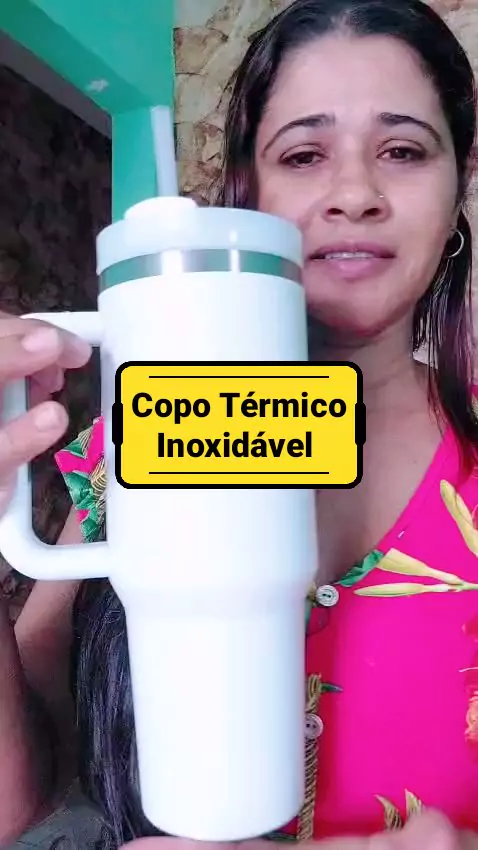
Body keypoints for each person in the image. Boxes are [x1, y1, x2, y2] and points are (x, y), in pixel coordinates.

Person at [1, 0, 478, 846]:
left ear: (457, 188)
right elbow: (17, 799)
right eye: (304, 154)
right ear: (247, 196)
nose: (355, 195)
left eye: (403, 151)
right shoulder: (133, 444)